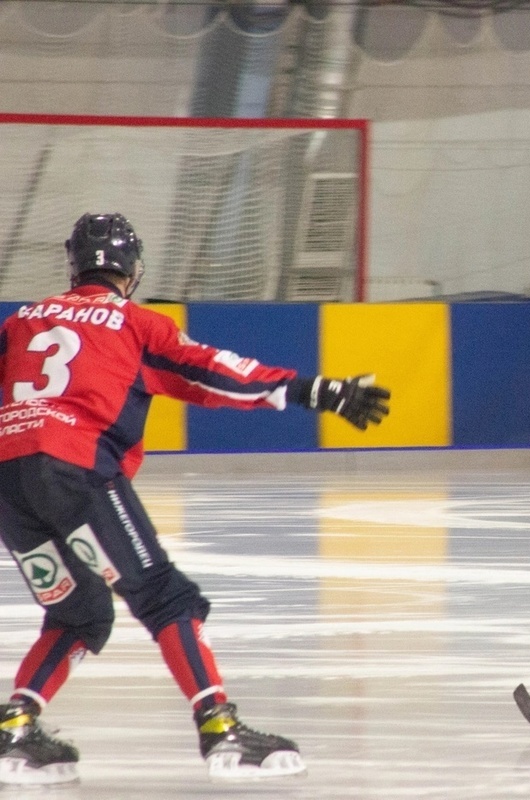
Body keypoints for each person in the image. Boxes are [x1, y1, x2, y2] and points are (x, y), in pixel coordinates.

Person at [0, 213, 391, 785]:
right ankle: (218, 726)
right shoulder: (136, 324)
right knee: (165, 597)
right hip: (78, 470)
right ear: (131, 271)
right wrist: (309, 388)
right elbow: (212, 372)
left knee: (77, 611)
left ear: (74, 264)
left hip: (10, 483)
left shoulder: (19, 323)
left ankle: (15, 725)